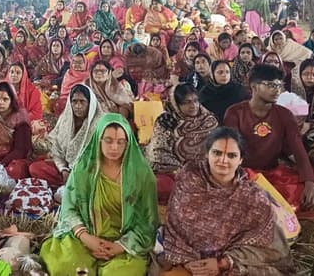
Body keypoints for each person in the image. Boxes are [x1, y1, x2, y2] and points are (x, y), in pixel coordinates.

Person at [158, 127, 294, 275]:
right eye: (217, 153)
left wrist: (223, 263)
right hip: (188, 263)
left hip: (232, 267)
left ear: (240, 160)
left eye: (231, 155)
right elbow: (175, 229)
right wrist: (188, 261)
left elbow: (271, 249)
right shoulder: (189, 180)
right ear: (207, 154)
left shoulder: (253, 197)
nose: (223, 160)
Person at [40, 114, 157, 276]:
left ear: (128, 143)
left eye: (120, 142)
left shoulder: (141, 175)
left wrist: (119, 246)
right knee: (66, 266)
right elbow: (69, 208)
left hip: (124, 241)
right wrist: (85, 237)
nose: (114, 147)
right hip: (85, 235)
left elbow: (147, 221)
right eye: (108, 141)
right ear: (98, 140)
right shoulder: (84, 168)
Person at [224, 65, 314, 219]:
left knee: (310, 195)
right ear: (254, 86)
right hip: (242, 175)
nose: (277, 90)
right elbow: (231, 150)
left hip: (273, 172)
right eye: (270, 85)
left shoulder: (285, 114)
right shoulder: (235, 113)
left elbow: (298, 149)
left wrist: (309, 181)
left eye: (279, 85)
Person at [147, 84, 219, 203]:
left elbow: (217, 149)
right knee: (162, 186)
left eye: (195, 101)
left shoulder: (208, 121)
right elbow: (159, 152)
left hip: (206, 170)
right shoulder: (166, 121)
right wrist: (182, 172)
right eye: (186, 102)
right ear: (176, 104)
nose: (193, 106)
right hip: (174, 171)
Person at [29, 84, 100, 188]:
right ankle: (70, 183)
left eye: (82, 102)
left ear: (90, 103)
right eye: (74, 101)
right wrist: (63, 169)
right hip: (66, 168)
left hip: (87, 171)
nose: (78, 106)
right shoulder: (65, 119)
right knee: (35, 168)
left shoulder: (99, 123)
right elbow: (56, 147)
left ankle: (75, 184)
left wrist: (78, 170)